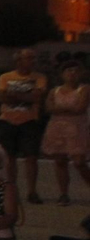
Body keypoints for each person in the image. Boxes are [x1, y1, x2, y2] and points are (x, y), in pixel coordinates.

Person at [0, 49, 48, 205]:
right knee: (9, 158)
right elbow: (0, 97)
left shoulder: (39, 78)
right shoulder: (5, 77)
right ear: (19, 61)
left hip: (29, 121)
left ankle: (32, 191)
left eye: (33, 58)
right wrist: (26, 96)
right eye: (29, 58)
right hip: (7, 120)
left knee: (31, 157)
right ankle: (11, 190)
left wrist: (12, 95)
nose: (32, 61)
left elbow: (36, 97)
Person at [42, 62, 90, 205]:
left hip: (77, 129)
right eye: (69, 71)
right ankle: (63, 194)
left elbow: (80, 108)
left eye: (75, 71)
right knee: (60, 161)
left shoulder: (84, 89)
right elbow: (49, 108)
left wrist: (60, 108)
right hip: (57, 128)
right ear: (62, 74)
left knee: (79, 162)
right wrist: (68, 108)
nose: (72, 74)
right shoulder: (54, 91)